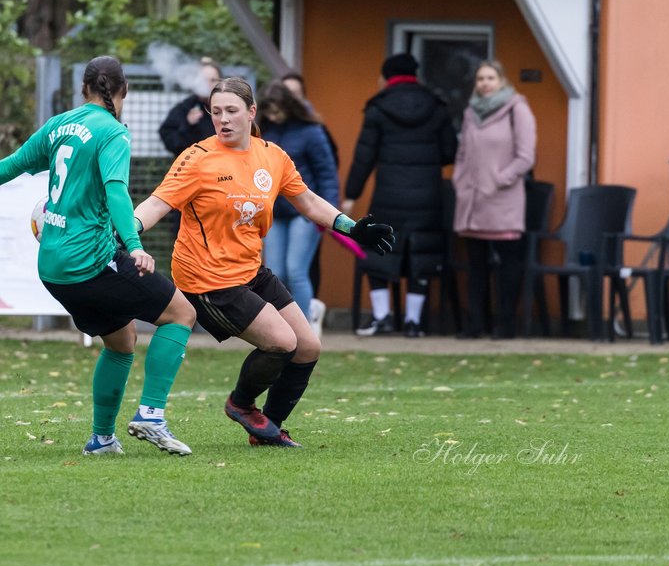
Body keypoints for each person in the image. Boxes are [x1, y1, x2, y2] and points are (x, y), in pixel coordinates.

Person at [0, 55, 197, 457]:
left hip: (53, 267)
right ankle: (151, 414)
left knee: (122, 340)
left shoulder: (61, 124)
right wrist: (137, 246)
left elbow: (12, 165)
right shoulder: (113, 133)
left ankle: (102, 439)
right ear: (124, 91)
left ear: (83, 90)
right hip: (89, 261)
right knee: (181, 314)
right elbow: (116, 192)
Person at [134, 77, 393, 448]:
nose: (222, 119)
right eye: (216, 112)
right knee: (282, 342)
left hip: (249, 270)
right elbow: (157, 203)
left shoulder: (272, 155)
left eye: (231, 111)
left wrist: (352, 228)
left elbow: (307, 201)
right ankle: (240, 404)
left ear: (251, 112)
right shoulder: (197, 158)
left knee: (307, 347)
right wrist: (129, 232)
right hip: (207, 278)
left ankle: (268, 426)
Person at [343, 53, 456, 338]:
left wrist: (351, 195)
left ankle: (382, 318)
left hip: (388, 194)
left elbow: (364, 156)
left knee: (378, 247)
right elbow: (449, 151)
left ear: (386, 77)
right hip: (427, 194)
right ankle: (414, 322)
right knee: (422, 252)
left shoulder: (378, 107)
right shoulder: (436, 105)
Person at [453, 59, 537, 340]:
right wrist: (460, 179)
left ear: (501, 81)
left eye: (490, 78)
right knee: (476, 266)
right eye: (480, 79)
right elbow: (463, 151)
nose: (484, 83)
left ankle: (506, 325)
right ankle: (476, 324)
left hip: (503, 199)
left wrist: (501, 178)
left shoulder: (518, 110)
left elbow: (526, 156)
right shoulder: (470, 113)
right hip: (472, 200)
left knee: (507, 265)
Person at [257, 80, 338, 331]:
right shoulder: (263, 131)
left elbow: (327, 173)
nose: (274, 115)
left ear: (289, 106)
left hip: (304, 212)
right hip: (275, 212)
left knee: (296, 270)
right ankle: (285, 326)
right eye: (269, 110)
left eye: (277, 109)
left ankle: (304, 328)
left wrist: (329, 213)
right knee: (276, 273)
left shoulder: (311, 131)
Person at [158, 57, 220, 157]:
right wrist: (187, 125)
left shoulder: (227, 109)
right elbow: (171, 143)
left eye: (213, 80)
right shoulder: (184, 108)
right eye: (203, 80)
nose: (208, 84)